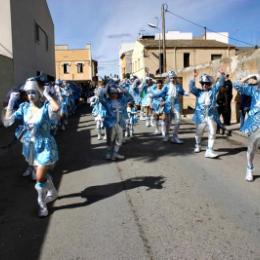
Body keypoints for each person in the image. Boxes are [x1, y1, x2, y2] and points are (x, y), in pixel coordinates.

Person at [2, 77, 60, 217]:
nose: (30, 96)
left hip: (45, 146)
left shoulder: (46, 107)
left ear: (40, 92)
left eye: (34, 92)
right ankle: (52, 191)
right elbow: (7, 122)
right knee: (41, 175)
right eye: (28, 93)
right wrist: (10, 102)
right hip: (31, 147)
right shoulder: (24, 108)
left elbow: (56, 109)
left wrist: (46, 94)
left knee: (39, 177)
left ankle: (42, 204)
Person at [189, 69, 225, 158]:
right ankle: (198, 145)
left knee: (212, 132)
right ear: (201, 84)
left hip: (211, 116)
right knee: (199, 132)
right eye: (203, 83)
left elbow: (220, 83)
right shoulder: (198, 92)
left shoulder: (213, 91)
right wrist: (194, 77)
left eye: (207, 83)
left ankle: (209, 150)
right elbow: (191, 88)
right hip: (200, 116)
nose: (205, 85)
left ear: (210, 84)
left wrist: (221, 75)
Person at [233, 74, 260, 181]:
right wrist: (249, 76)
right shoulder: (253, 90)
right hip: (255, 123)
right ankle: (249, 168)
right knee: (252, 148)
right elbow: (236, 84)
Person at [151, 71, 188, 143]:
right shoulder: (166, 86)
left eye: (174, 77)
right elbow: (161, 94)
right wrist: (159, 101)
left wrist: (187, 93)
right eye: (171, 78)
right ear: (169, 78)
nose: (172, 79)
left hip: (176, 105)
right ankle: (166, 135)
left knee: (178, 120)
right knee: (167, 122)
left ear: (175, 78)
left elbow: (183, 92)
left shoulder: (178, 86)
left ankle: (174, 137)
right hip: (167, 105)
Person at [99, 82, 128, 160]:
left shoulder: (121, 101)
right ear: (109, 94)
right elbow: (101, 96)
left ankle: (115, 153)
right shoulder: (107, 102)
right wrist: (107, 86)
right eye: (112, 93)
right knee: (110, 139)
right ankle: (108, 153)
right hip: (110, 123)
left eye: (115, 93)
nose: (114, 94)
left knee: (120, 139)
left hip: (120, 123)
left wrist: (118, 86)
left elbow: (126, 94)